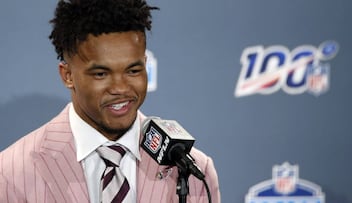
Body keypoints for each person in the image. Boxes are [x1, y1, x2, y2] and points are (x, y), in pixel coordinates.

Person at [0, 0, 221, 202]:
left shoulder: (193, 170)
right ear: (67, 75)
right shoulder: (11, 172)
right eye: (101, 74)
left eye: (133, 70)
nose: (121, 88)